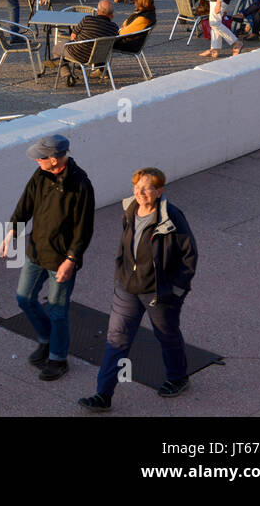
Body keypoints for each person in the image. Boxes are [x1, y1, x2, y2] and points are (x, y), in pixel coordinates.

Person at [78, 167, 197, 410]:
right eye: (136, 187)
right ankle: (103, 394)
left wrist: (175, 291)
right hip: (127, 288)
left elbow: (189, 255)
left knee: (167, 335)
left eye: (146, 188)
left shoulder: (171, 217)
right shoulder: (130, 209)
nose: (140, 192)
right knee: (116, 339)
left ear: (159, 191)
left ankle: (178, 377)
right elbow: (125, 245)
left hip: (158, 293)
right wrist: (120, 272)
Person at [0, 134, 96, 382]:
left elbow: (84, 229)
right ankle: (46, 338)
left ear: (54, 159)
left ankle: (58, 359)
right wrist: (11, 234)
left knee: (58, 310)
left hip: (61, 259)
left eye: (40, 157)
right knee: (24, 298)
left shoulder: (81, 185)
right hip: (36, 252)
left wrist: (71, 260)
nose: (36, 161)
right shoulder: (40, 175)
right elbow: (24, 206)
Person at [56, 0, 118, 82]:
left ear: (98, 11)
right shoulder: (114, 28)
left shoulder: (87, 19)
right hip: (99, 57)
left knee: (57, 48)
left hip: (78, 53)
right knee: (99, 44)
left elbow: (73, 37)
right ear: (112, 15)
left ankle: (67, 75)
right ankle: (101, 70)